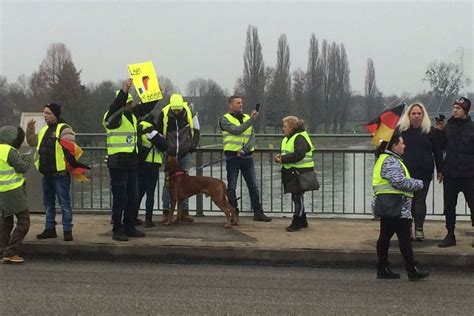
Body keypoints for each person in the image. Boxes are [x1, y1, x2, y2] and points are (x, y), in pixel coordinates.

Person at [103, 78, 158, 241]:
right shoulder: (112, 118)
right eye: (129, 103)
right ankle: (117, 228)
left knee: (132, 197)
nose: (132, 106)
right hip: (118, 163)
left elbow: (145, 107)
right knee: (121, 198)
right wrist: (124, 92)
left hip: (132, 163)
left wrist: (156, 93)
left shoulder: (132, 116)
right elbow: (114, 110)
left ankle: (129, 226)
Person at [372, 131, 429, 281]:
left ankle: (383, 268)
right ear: (394, 145)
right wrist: (418, 183)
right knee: (404, 239)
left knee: (385, 237)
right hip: (397, 206)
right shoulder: (391, 161)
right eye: (401, 143)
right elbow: (399, 182)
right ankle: (412, 270)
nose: (404, 145)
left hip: (389, 205)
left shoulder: (384, 158)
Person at [26, 103, 75, 241]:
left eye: (48, 113)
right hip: (47, 174)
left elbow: (72, 148)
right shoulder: (43, 130)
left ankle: (67, 230)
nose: (44, 115)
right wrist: (30, 129)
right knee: (48, 203)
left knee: (64, 203)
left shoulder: (64, 129)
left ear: (55, 114)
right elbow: (32, 142)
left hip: (60, 174)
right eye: (44, 113)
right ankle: (49, 229)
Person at [219, 95, 271, 222]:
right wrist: (251, 121)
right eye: (237, 103)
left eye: (241, 102)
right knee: (232, 186)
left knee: (253, 186)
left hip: (246, 156)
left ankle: (258, 212)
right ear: (230, 105)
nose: (240, 105)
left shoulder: (247, 118)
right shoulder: (224, 119)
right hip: (232, 157)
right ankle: (234, 213)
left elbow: (252, 137)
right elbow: (236, 130)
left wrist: (245, 150)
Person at [398, 102, 443, 241]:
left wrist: (440, 170)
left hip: (424, 171)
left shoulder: (430, 131)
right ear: (409, 115)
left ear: (423, 115)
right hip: (406, 171)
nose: (416, 116)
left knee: (420, 201)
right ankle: (407, 230)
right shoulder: (401, 131)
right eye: (414, 114)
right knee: (407, 201)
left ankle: (419, 229)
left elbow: (437, 151)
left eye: (419, 114)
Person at [435, 97, 474, 248]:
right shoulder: (448, 128)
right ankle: (450, 234)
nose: (455, 110)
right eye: (454, 108)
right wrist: (438, 131)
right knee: (449, 206)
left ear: (465, 110)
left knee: (473, 204)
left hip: (469, 174)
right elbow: (440, 146)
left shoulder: (472, 127)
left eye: (458, 108)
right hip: (451, 173)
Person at [157, 93, 200, 223]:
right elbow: (159, 133)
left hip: (184, 153)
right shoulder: (164, 114)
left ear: (182, 106)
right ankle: (166, 211)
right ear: (171, 106)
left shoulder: (190, 114)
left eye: (178, 109)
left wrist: (192, 146)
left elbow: (197, 131)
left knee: (185, 182)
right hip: (169, 154)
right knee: (167, 182)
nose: (176, 112)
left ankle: (183, 212)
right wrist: (164, 148)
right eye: (174, 110)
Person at [274, 116, 315, 231]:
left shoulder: (299, 137)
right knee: (297, 197)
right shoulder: (290, 137)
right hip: (293, 171)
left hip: (301, 172)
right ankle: (302, 220)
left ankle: (296, 221)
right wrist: (280, 157)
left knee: (298, 197)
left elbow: (299, 154)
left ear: (291, 128)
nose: (283, 128)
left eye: (285, 126)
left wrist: (283, 159)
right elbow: (291, 153)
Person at [0, 126, 34, 264]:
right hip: (13, 190)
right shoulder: (9, 151)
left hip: (2, 191)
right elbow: (22, 167)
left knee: (6, 222)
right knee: (24, 222)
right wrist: (28, 158)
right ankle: (11, 251)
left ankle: (2, 249)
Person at [135, 113, 167, 227]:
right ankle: (148, 220)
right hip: (151, 164)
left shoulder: (137, 127)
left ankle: (133, 217)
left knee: (138, 193)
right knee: (150, 193)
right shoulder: (150, 129)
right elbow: (164, 145)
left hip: (139, 164)